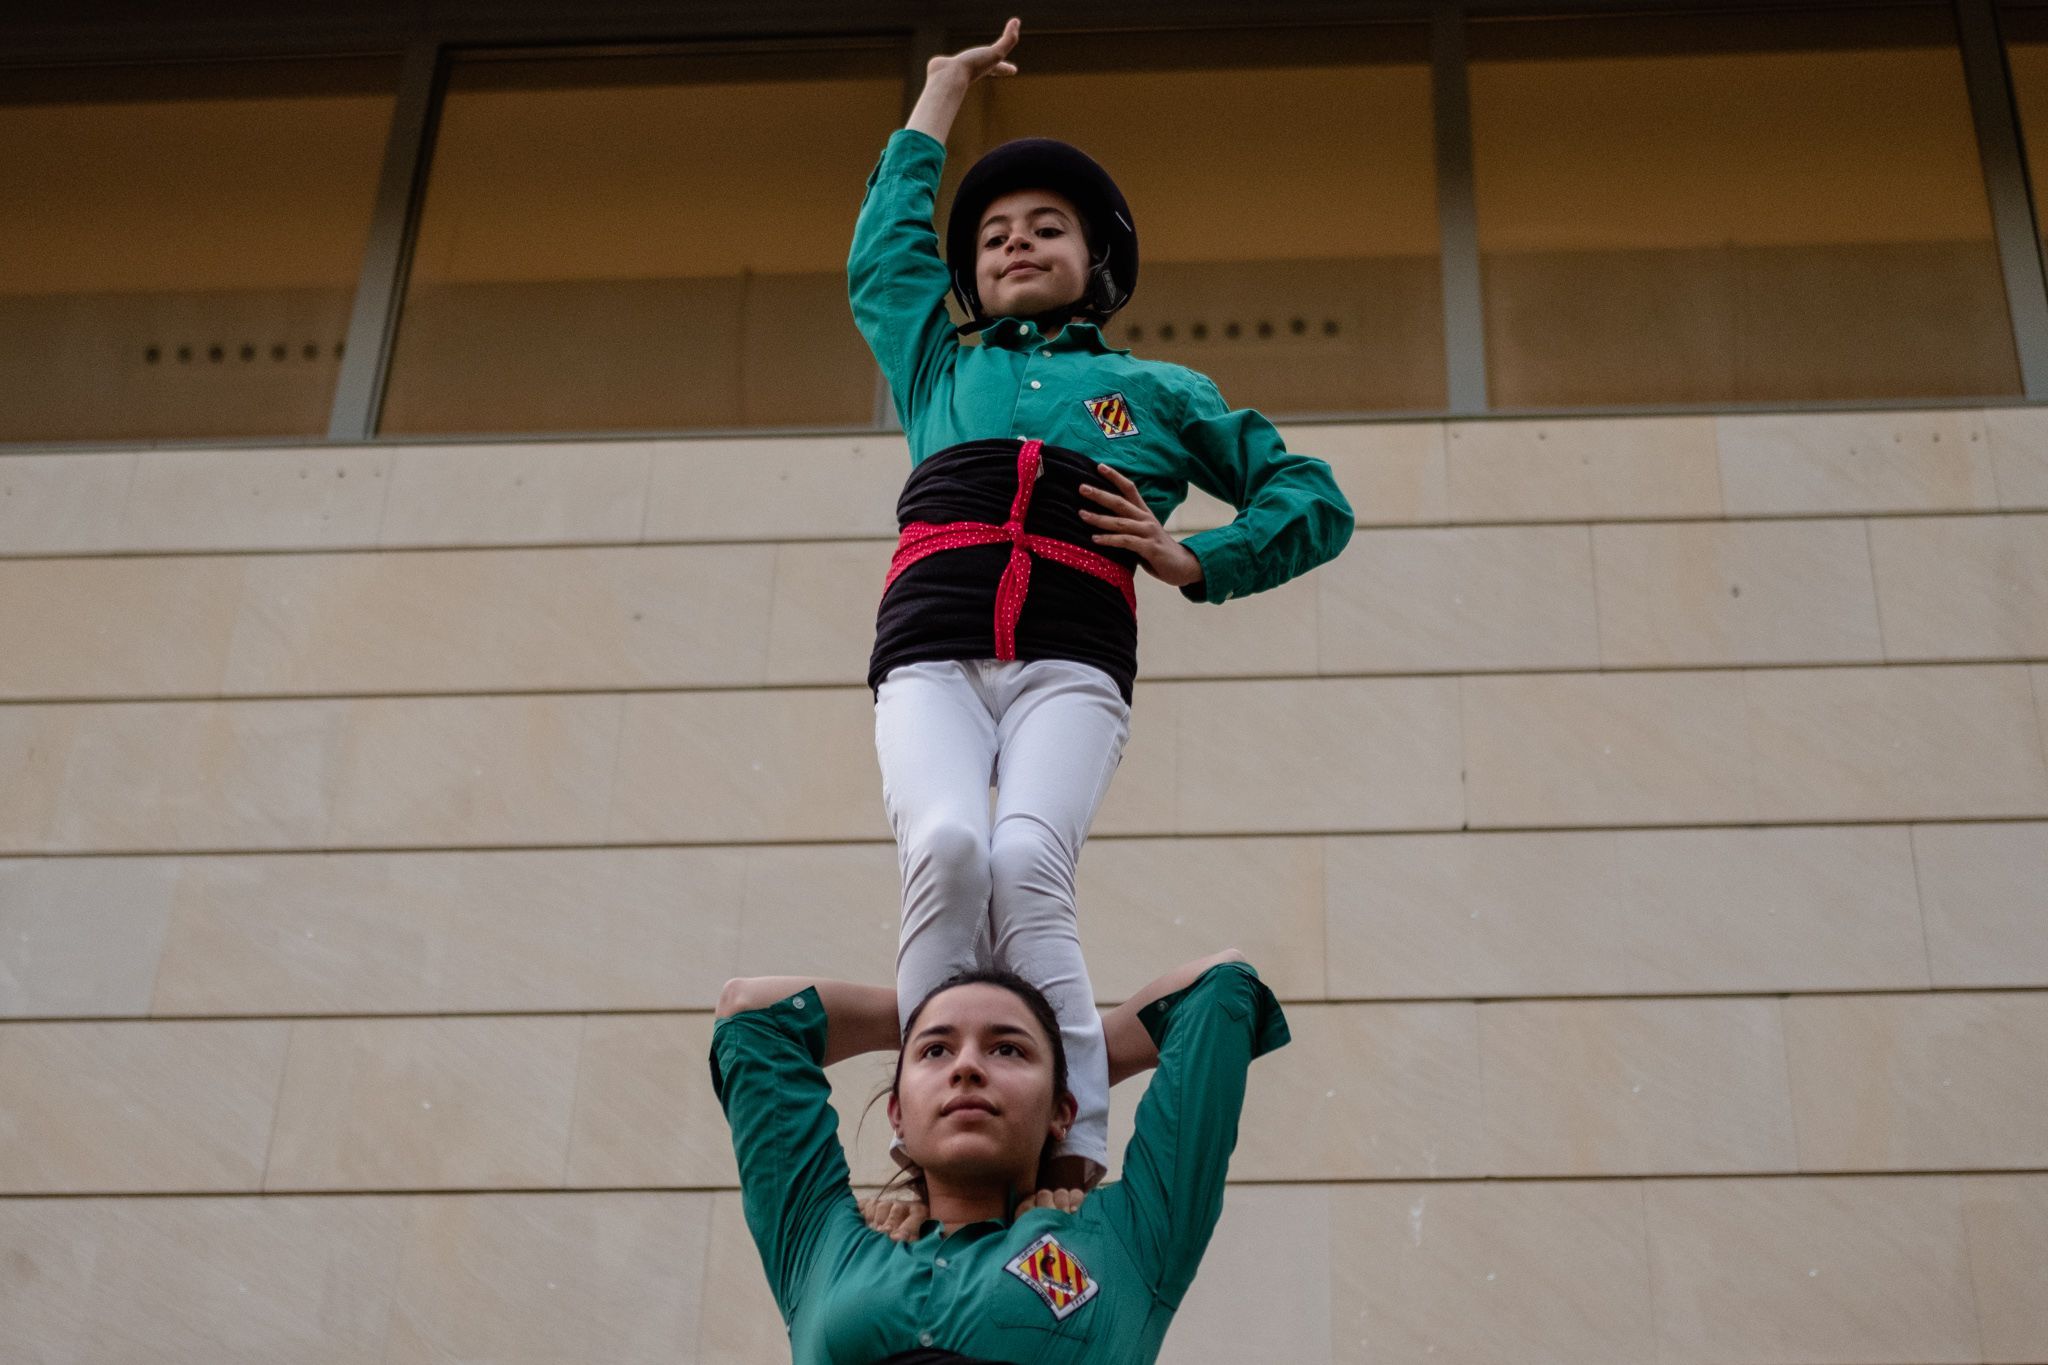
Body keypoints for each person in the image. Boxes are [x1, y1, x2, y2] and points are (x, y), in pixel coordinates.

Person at [851, 18, 1352, 1191]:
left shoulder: (1155, 391)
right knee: (946, 844)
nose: (1015, 244)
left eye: (1045, 229)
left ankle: (1073, 1146)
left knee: (1026, 862)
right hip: (930, 651)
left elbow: (1308, 494)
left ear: (1096, 261)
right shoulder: (938, 363)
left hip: (1070, 665)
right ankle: (927, 1134)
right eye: (991, 237)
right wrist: (937, 96)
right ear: (967, 271)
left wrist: (1197, 560)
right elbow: (883, 252)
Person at [710, 950, 1289, 1364]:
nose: (966, 1066)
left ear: (1064, 1110)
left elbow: (1220, 987)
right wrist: (924, 1010)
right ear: (898, 1116)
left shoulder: (1127, 1241)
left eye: (1007, 1049)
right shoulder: (825, 1245)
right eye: (936, 1051)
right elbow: (752, 1015)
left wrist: (1080, 1051)